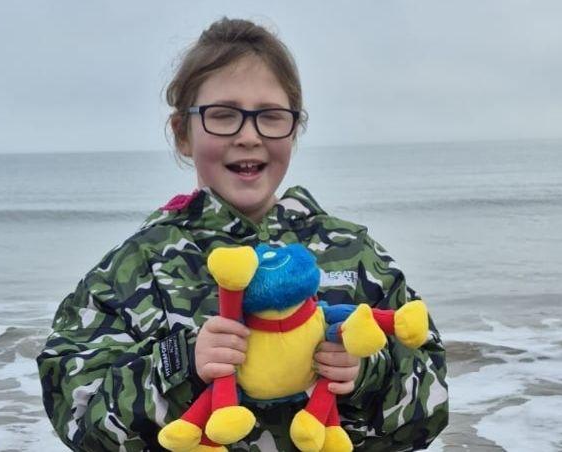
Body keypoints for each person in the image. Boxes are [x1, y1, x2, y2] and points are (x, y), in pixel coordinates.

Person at [37, 17, 448, 452]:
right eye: (223, 116)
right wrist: (180, 365)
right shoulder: (136, 267)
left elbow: (432, 407)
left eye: (270, 117)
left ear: (294, 129)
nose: (249, 136)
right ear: (183, 133)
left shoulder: (356, 254)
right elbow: (78, 418)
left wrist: (367, 373)